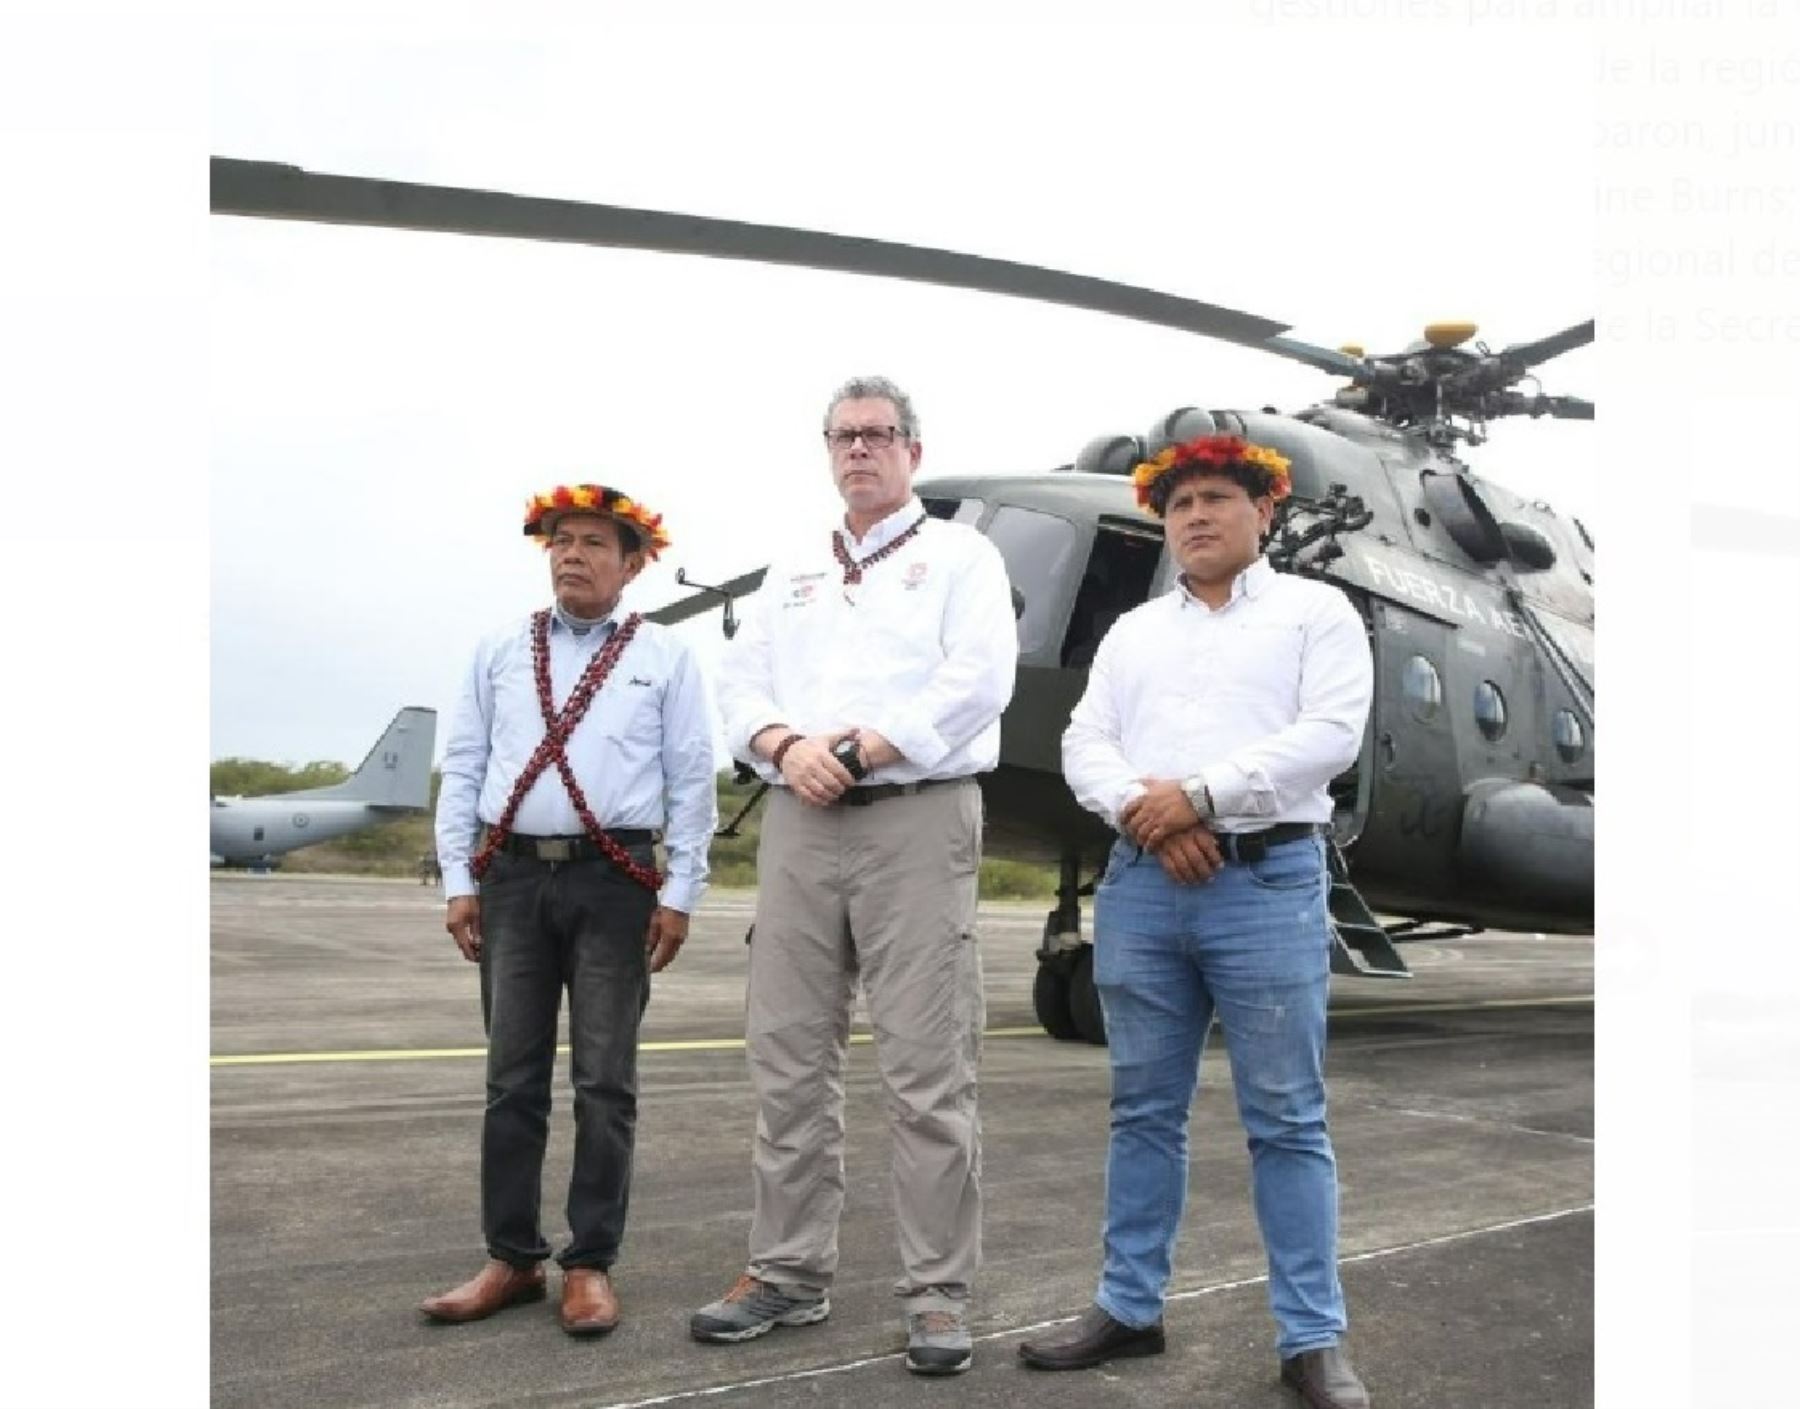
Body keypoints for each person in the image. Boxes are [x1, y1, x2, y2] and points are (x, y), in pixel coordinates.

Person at [1020, 434, 1375, 1409]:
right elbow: (1084, 739)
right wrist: (1150, 808)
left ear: (1265, 512)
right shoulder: (1136, 632)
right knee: (1142, 1109)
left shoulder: (1316, 613)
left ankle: (1311, 1335)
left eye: (1218, 498)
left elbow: (1329, 735)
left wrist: (1203, 796)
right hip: (1142, 883)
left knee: (1287, 1118)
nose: (1196, 517)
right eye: (1179, 506)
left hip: (1265, 883)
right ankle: (1129, 1308)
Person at [693, 376, 1018, 1375]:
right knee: (787, 1052)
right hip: (799, 816)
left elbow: (978, 679)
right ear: (827, 450)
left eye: (880, 435)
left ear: (912, 451)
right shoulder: (792, 567)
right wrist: (787, 744)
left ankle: (935, 1290)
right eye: (845, 436)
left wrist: (870, 746)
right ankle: (788, 1270)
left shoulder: (962, 556)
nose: (861, 450)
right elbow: (739, 681)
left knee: (927, 1067)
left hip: (914, 817)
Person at [420, 483, 717, 1338]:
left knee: (604, 1081)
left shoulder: (665, 656)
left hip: (614, 883)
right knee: (511, 1079)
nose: (572, 554)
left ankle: (589, 1262)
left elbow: (691, 779)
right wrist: (459, 881)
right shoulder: (499, 650)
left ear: (631, 565)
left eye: (592, 542)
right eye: (560, 540)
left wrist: (680, 892)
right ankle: (510, 1256)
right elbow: (464, 768)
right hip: (511, 879)